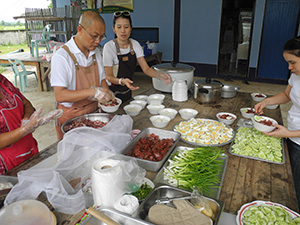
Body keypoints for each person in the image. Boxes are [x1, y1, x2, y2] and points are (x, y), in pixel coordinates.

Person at [51, 10, 115, 140]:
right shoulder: (62, 56)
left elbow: (102, 79)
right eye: (94, 36)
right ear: (80, 29)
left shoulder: (96, 52)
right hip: (71, 118)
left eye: (102, 37)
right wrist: (92, 92)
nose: (98, 41)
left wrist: (105, 94)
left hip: (93, 115)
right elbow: (60, 95)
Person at [254, 36, 300, 209]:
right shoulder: (296, 76)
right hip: (292, 134)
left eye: (292, 62)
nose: (289, 67)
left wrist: (288, 134)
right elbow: (287, 95)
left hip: (297, 140)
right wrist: (267, 101)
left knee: (294, 190)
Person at [103, 11, 171, 102]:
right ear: (114, 29)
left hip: (128, 90)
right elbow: (109, 77)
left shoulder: (135, 45)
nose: (123, 30)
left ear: (131, 28)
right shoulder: (109, 47)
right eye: (119, 27)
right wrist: (122, 81)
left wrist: (160, 75)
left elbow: (146, 69)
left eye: (126, 27)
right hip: (111, 93)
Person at [0, 74, 62, 174]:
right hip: (6, 166)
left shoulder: (3, 81)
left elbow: (25, 103)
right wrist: (24, 129)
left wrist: (27, 119)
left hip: (28, 150)